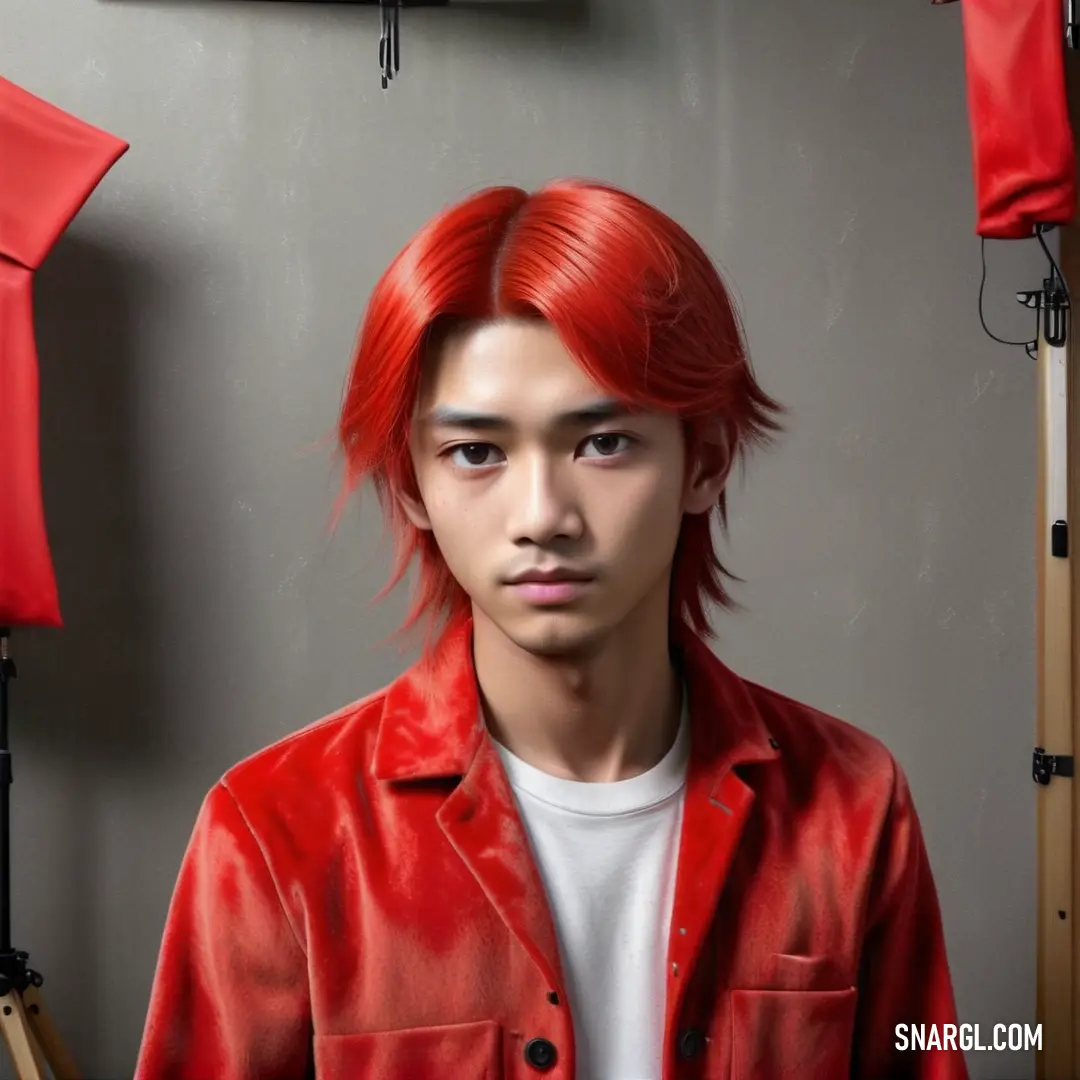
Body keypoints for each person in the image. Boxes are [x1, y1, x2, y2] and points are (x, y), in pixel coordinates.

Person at [133, 178, 969, 1080]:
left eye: (603, 442)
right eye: (476, 452)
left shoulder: (850, 806)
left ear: (706, 462)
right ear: (412, 486)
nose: (542, 515)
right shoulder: (275, 835)